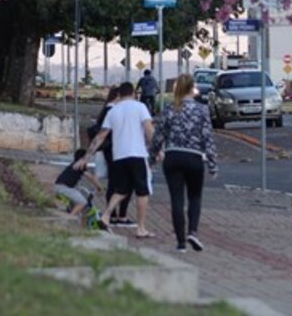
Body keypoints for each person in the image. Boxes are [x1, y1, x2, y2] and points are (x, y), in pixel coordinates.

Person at [150, 73, 219, 253]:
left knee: (176, 199)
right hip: (194, 158)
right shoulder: (201, 110)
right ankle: (193, 232)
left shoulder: (169, 109)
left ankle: (180, 243)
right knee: (195, 196)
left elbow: (158, 136)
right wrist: (212, 164)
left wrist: (152, 158)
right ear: (192, 88)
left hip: (172, 157)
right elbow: (207, 138)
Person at [78, 81, 155, 238]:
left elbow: (100, 136)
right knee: (142, 191)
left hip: (118, 156)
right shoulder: (140, 107)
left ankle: (106, 216)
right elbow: (149, 129)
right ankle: (141, 228)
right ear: (134, 93)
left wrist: (87, 156)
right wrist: (156, 149)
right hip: (137, 154)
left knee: (121, 189)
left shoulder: (113, 111)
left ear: (119, 94)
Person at [92, 84, 134, 227]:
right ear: (118, 96)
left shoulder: (107, 109)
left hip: (110, 150)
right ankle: (119, 215)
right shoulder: (113, 110)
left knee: (114, 182)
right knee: (124, 184)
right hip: (116, 151)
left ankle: (114, 214)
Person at [54, 148, 102, 219]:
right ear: (83, 158)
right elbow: (90, 177)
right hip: (64, 188)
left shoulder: (74, 164)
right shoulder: (81, 165)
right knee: (83, 202)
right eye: (87, 158)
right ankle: (69, 219)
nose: (88, 160)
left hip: (61, 186)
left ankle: (73, 213)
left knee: (79, 194)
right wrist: (99, 187)